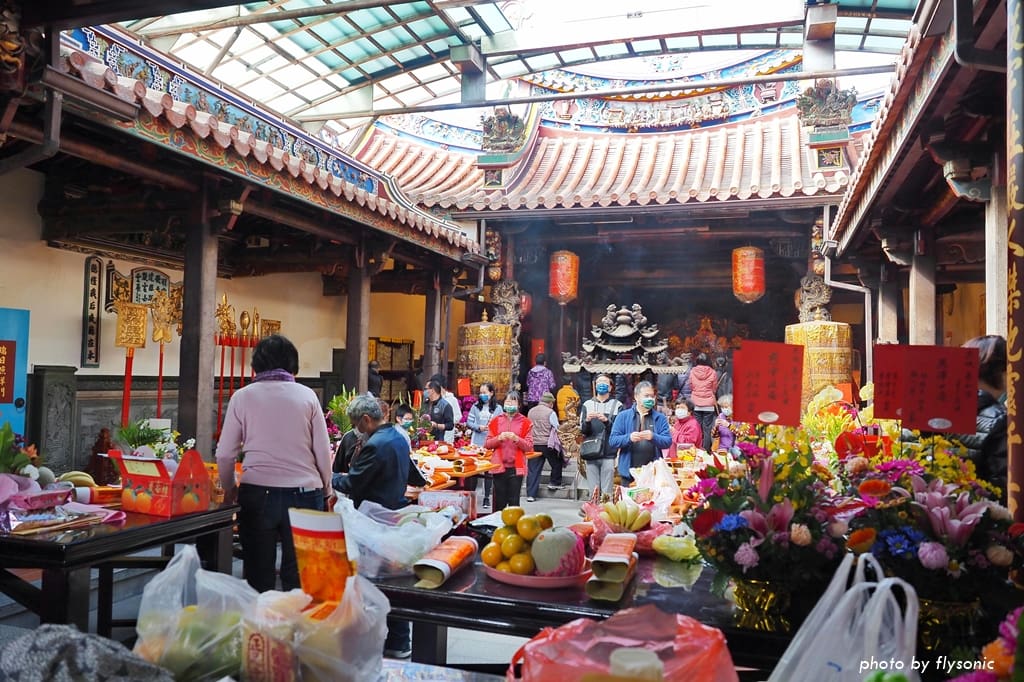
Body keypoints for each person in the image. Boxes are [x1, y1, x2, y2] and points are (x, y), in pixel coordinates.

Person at [215, 334, 333, 593]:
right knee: (300, 580)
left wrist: (230, 489)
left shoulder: (242, 397)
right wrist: (327, 488)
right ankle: (296, 619)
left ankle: (261, 619)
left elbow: (224, 454)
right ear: (293, 364)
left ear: (256, 364)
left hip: (257, 494)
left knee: (258, 577)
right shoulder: (308, 396)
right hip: (305, 492)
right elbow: (323, 451)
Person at [331, 394, 426, 660]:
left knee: (378, 583)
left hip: (375, 520)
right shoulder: (397, 436)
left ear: (366, 419)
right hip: (393, 514)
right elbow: (413, 474)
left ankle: (391, 640)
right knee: (395, 579)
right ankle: (398, 641)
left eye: (356, 424)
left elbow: (353, 483)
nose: (355, 430)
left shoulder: (376, 444)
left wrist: (330, 477)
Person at [957, 335, 1008, 498]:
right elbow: (1004, 486)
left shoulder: (939, 410)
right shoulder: (1001, 420)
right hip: (986, 509)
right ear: (1002, 372)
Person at [608, 381, 672, 485]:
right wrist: (629, 438)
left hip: (653, 474)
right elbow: (613, 441)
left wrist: (653, 436)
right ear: (636, 397)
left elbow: (667, 441)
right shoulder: (623, 416)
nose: (650, 399)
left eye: (652, 396)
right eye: (646, 396)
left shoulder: (660, 418)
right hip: (628, 474)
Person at [484, 391, 531, 511]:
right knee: (499, 503)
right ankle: (497, 522)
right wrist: (499, 438)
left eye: (513, 401)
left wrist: (517, 439)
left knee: (514, 503)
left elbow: (529, 446)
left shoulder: (526, 422)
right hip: (499, 467)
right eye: (507, 401)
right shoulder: (495, 421)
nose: (509, 403)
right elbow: (487, 444)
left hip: (516, 468)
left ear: (519, 404)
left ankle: (513, 523)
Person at [579, 374, 623, 496]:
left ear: (610, 387)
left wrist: (606, 421)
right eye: (599, 383)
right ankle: (593, 507)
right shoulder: (587, 404)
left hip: (608, 452)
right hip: (591, 451)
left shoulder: (617, 405)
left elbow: (619, 430)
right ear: (595, 386)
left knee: (606, 491)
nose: (601, 385)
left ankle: (605, 507)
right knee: (593, 490)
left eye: (605, 382)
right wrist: (587, 421)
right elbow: (583, 430)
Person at [526, 392, 562, 502]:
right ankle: (554, 483)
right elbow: (556, 427)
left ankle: (531, 495)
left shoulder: (531, 411)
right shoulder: (550, 412)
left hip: (533, 444)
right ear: (550, 403)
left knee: (533, 469)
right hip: (547, 444)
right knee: (556, 462)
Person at [466, 382, 498, 509]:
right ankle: (471, 496)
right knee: (474, 470)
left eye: (485, 392)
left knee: (488, 471)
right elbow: (469, 422)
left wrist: (492, 429)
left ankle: (486, 497)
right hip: (476, 442)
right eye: (480, 393)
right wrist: (478, 427)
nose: (482, 395)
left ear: (491, 393)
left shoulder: (498, 408)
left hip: (490, 443)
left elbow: (500, 424)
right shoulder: (475, 407)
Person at [688, 353, 719, 451]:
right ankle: (706, 449)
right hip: (709, 404)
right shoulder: (713, 372)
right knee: (707, 428)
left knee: (696, 427)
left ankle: (697, 448)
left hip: (696, 403)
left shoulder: (692, 371)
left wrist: (696, 392)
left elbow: (691, 385)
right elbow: (714, 388)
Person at [429, 374, 462, 443]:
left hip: (447, 435)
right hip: (433, 434)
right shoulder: (432, 399)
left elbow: (458, 416)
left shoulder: (452, 399)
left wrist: (445, 422)